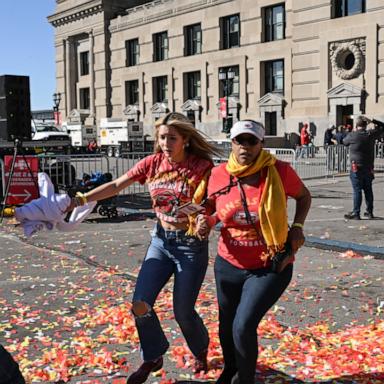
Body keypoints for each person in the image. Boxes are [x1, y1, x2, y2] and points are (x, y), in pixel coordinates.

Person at [66, 112, 221, 384]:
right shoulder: (152, 164)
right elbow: (116, 185)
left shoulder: (202, 166)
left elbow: (211, 202)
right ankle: (153, 356)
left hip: (190, 246)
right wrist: (82, 199)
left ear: (185, 140)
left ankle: (200, 349)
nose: (165, 143)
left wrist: (203, 220)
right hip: (161, 242)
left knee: (183, 311)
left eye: (171, 138)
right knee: (140, 304)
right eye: (161, 137)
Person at [195, 120, 311, 383]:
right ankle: (231, 370)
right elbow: (212, 207)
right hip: (228, 263)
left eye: (251, 141)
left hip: (269, 264)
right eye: (240, 141)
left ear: (262, 144)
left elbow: (304, 196)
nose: (245, 146)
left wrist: (298, 226)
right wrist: (206, 221)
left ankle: (244, 380)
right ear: (231, 143)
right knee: (227, 325)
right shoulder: (218, 174)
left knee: (243, 324)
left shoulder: (279, 171)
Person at [343, 116, 383, 220]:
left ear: (356, 126)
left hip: (356, 167)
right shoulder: (370, 134)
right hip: (368, 167)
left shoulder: (353, 135)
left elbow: (344, 142)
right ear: (365, 125)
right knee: (368, 190)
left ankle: (356, 213)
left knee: (357, 190)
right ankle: (369, 212)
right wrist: (373, 121)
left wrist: (353, 132)